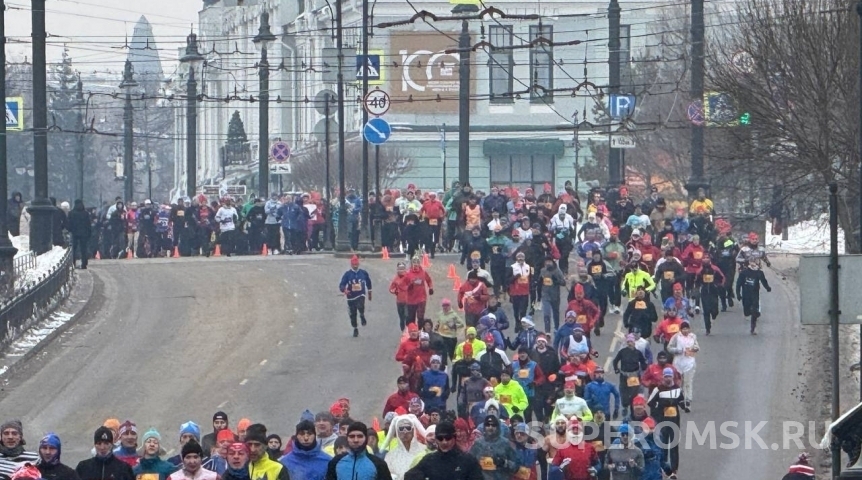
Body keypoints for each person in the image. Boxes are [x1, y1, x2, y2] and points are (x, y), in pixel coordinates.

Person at [404, 421, 482, 480]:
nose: (444, 442)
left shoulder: (468, 460)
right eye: (440, 438)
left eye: (448, 438)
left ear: (454, 438)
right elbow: (409, 476)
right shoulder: (430, 460)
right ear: (436, 440)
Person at [325, 422, 391, 480]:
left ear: (366, 439)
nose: (356, 440)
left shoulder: (378, 464)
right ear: (347, 438)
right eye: (352, 436)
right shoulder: (335, 462)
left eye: (360, 436)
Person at [667, 321, 699, 410]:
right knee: (679, 383)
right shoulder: (676, 337)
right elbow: (669, 348)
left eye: (687, 329)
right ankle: (680, 399)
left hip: (690, 362)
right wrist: (678, 350)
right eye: (683, 329)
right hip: (678, 363)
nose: (685, 331)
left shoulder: (692, 336)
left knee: (688, 382)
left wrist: (694, 349)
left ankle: (688, 400)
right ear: (681, 330)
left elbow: (697, 347)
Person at [338, 255, 373, 337]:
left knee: (361, 306)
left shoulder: (363, 273)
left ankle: (362, 314)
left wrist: (370, 292)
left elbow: (368, 282)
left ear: (359, 264)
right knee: (352, 314)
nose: (355, 266)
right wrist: (344, 290)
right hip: (351, 296)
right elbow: (342, 284)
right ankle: (355, 328)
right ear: (351, 265)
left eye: (356, 264)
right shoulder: (347, 274)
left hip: (360, 294)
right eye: (354, 264)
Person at [736, 260, 771, 335]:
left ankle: (753, 327)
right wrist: (738, 294)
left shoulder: (759, 273)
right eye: (752, 262)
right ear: (749, 264)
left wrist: (767, 288)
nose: (754, 264)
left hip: (755, 295)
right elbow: (738, 284)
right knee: (747, 312)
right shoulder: (744, 273)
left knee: (754, 311)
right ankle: (750, 312)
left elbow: (763, 281)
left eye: (755, 262)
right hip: (746, 295)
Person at [538, 257, 567, 332]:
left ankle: (556, 328)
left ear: (552, 262)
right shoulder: (543, 270)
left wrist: (556, 281)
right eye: (546, 262)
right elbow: (540, 282)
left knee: (555, 312)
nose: (547, 263)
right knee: (546, 313)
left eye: (549, 261)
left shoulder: (557, 271)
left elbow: (563, 283)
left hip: (555, 296)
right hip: (545, 295)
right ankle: (547, 330)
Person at [405, 256, 434, 327]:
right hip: (411, 300)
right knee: (411, 319)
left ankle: (420, 332)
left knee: (420, 318)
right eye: (414, 262)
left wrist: (431, 288)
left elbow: (429, 280)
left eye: (417, 262)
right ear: (411, 264)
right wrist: (409, 286)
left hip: (421, 299)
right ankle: (411, 333)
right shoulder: (408, 274)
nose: (415, 264)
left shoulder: (423, 272)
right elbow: (404, 285)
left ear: (419, 263)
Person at [389, 263, 410, 331]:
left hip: (408, 301)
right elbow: (391, 289)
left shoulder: (408, 277)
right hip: (399, 301)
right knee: (401, 318)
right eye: (400, 269)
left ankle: (407, 332)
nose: (401, 270)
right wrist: (395, 291)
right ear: (397, 270)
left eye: (403, 268)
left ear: (405, 269)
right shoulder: (396, 279)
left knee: (407, 317)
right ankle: (403, 331)